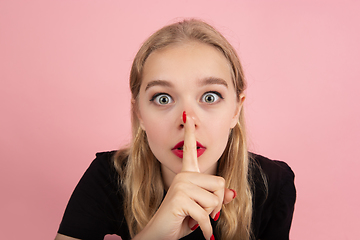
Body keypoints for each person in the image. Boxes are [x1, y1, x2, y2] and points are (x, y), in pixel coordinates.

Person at [55, 19, 296, 240]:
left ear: (235, 110)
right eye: (162, 98)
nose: (187, 120)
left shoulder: (272, 182)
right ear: (139, 112)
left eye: (210, 97)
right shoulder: (109, 175)